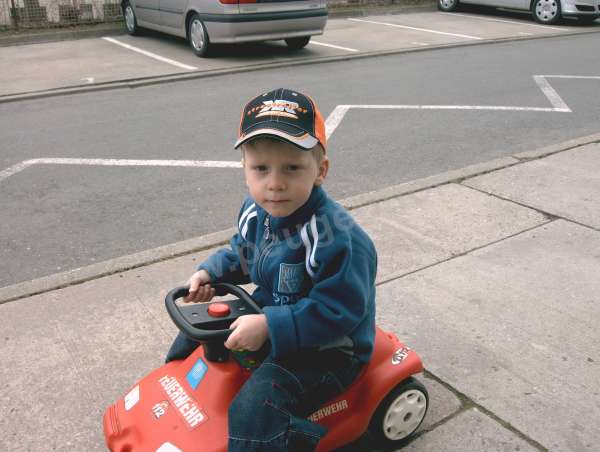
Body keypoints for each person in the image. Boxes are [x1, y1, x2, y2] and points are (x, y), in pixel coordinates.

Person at [166, 88, 377, 451]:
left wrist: (269, 326)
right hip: (269, 310)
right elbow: (243, 253)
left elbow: (339, 312)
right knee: (192, 337)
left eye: (292, 168)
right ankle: (176, 418)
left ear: (320, 170)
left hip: (328, 349)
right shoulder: (256, 211)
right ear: (245, 170)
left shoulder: (338, 238)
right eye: (261, 168)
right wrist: (210, 274)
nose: (275, 183)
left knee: (256, 409)